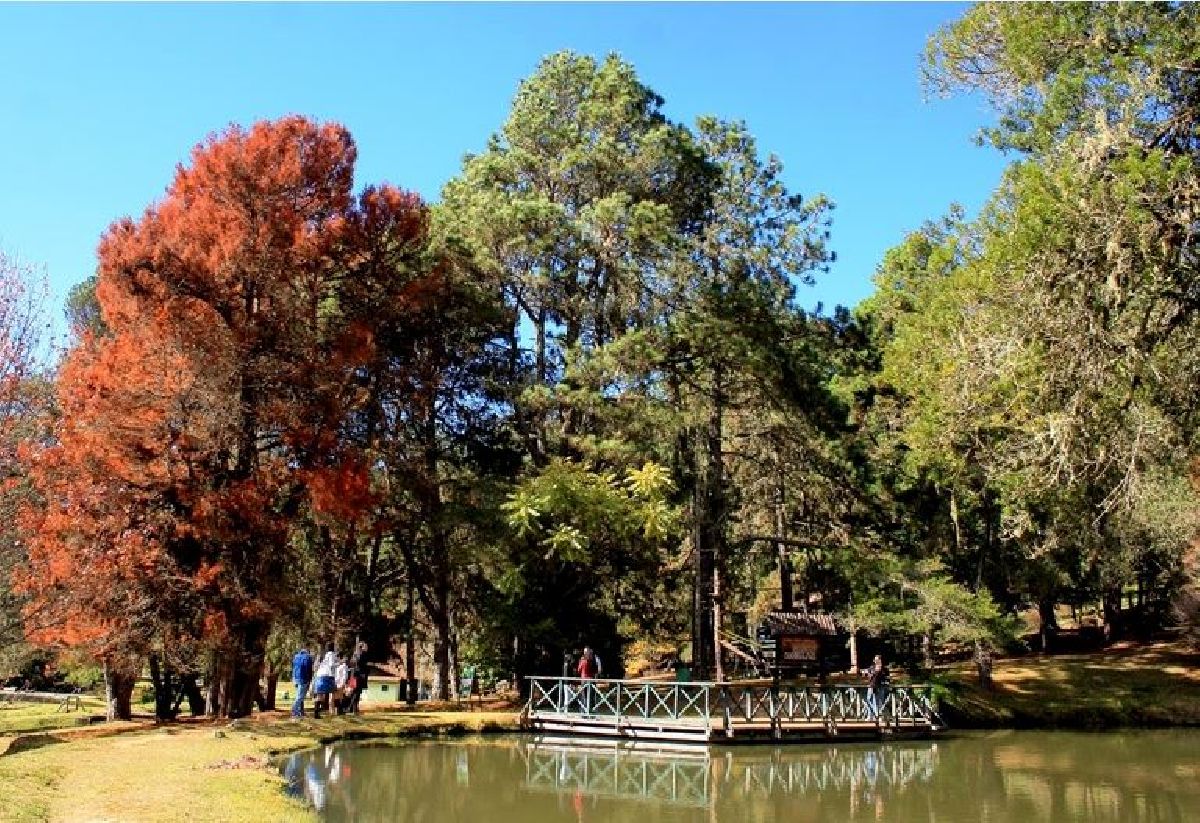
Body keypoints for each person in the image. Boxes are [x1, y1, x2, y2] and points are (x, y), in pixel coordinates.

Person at [312, 643, 338, 719]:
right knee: (333, 692)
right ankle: (333, 710)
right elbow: (331, 665)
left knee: (320, 695)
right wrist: (340, 663)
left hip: (320, 675)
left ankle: (316, 712)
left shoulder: (325, 655)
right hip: (326, 676)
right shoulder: (331, 654)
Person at [863, 654, 889, 721]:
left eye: (877, 660)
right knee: (869, 700)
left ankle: (878, 716)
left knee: (879, 701)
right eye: (875, 660)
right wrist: (866, 673)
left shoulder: (884, 669)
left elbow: (887, 678)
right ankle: (871, 715)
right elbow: (866, 673)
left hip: (880, 687)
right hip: (871, 686)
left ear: (880, 660)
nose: (876, 661)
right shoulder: (872, 668)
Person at [291, 646, 314, 718]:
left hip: (295, 678)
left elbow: (294, 667)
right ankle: (294, 711)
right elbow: (309, 669)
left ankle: (300, 712)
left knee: (299, 696)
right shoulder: (308, 657)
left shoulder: (296, 657)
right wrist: (310, 679)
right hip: (303, 679)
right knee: (300, 697)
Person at [346, 641, 368, 714]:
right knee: (357, 692)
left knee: (352, 692)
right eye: (365, 646)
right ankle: (352, 708)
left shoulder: (354, 655)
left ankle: (352, 708)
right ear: (362, 647)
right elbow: (362, 665)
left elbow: (352, 664)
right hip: (359, 675)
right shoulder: (362, 654)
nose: (367, 648)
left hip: (353, 675)